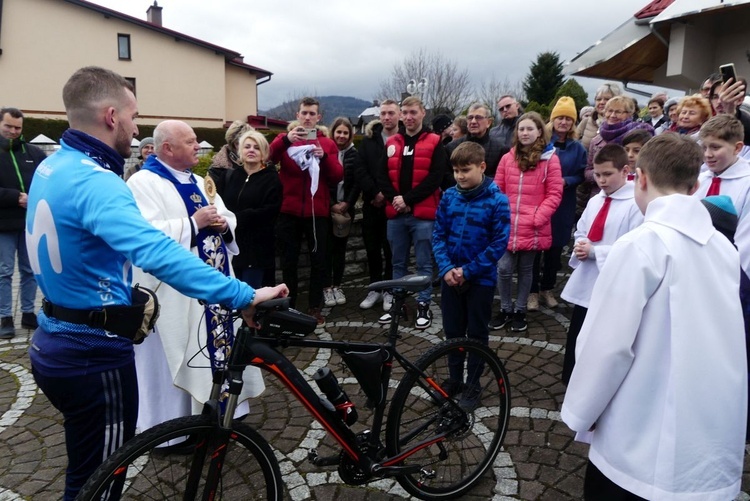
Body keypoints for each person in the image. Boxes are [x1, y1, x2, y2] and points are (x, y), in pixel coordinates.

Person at [25, 66, 287, 500]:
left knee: (85, 468)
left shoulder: (53, 167)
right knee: (100, 481)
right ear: (111, 116)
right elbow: (156, 251)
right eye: (132, 115)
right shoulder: (98, 181)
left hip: (52, 336)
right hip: (91, 348)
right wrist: (242, 293)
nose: (135, 126)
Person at [562, 133, 747, 500]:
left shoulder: (640, 246)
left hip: (639, 448)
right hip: (709, 436)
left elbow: (608, 347)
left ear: (640, 178)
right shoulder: (724, 248)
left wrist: (581, 414)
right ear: (695, 186)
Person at [127, 119, 266, 431]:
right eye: (190, 142)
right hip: (175, 292)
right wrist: (193, 223)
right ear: (168, 148)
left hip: (214, 287)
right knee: (174, 356)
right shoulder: (142, 184)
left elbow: (227, 215)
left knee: (220, 346)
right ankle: (171, 431)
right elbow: (144, 236)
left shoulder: (202, 181)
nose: (198, 146)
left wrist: (223, 225)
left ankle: (225, 410)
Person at [432, 141, 510, 410]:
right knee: (453, 332)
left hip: (480, 281)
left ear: (482, 167)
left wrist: (468, 270)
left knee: (476, 334)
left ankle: (473, 385)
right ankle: (455, 379)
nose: (460, 176)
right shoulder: (449, 197)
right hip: (451, 278)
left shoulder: (497, 201)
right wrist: (446, 268)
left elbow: (498, 244)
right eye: (455, 171)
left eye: (465, 170)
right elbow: (438, 235)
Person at [559, 144, 643, 384]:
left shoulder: (635, 204)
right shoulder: (596, 200)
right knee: (579, 329)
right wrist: (581, 243)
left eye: (607, 174)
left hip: (613, 281)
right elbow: (583, 228)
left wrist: (597, 252)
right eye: (597, 175)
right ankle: (572, 377)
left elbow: (634, 244)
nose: (601, 180)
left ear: (625, 170)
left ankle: (597, 382)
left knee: (603, 336)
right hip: (588, 280)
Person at [269, 97, 343, 325]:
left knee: (318, 261)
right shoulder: (285, 139)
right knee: (289, 262)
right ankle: (289, 305)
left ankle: (314, 306)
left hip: (316, 212)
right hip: (288, 211)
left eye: (312, 114)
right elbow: (268, 158)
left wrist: (325, 157)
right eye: (304, 113)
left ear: (319, 117)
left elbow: (337, 176)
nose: (308, 117)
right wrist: (285, 141)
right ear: (298, 115)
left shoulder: (327, 143)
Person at [376, 96, 448, 329]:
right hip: (396, 215)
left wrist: (407, 200)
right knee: (398, 263)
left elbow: (436, 177)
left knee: (424, 264)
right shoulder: (392, 142)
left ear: (422, 113)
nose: (408, 117)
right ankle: (398, 305)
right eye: (405, 112)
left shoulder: (435, 141)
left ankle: (423, 305)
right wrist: (396, 200)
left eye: (413, 112)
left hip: (423, 215)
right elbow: (382, 177)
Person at [490, 112, 563, 332]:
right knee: (503, 267)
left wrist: (538, 217)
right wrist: (501, 215)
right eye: (521, 129)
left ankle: (520, 310)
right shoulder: (507, 158)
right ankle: (505, 308)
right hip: (508, 223)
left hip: (533, 225)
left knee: (526, 269)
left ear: (539, 131)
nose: (524, 133)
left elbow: (555, 193)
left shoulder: (550, 159)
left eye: (530, 129)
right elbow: (497, 189)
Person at [529, 97, 587, 311]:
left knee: (555, 250)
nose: (563, 122)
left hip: (564, 203)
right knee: (534, 250)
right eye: (560, 118)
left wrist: (567, 181)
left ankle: (547, 288)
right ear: (552, 120)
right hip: (540, 202)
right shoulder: (541, 144)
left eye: (568, 119)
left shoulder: (578, 148)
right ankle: (532, 291)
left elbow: (582, 173)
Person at [209, 129, 281, 289]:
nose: (251, 150)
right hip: (230, 245)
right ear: (240, 150)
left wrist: (236, 218)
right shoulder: (230, 176)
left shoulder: (271, 179)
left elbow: (269, 211)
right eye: (247, 146)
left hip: (257, 249)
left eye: (256, 147)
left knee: (252, 295)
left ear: (263, 153)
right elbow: (219, 203)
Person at [0, 107, 46, 339]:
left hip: (29, 223)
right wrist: (14, 197)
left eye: (17, 127)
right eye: (8, 126)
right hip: (3, 224)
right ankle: (5, 317)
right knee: (4, 272)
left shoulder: (34, 153)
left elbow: (48, 179)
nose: (13, 131)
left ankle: (28, 313)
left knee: (30, 270)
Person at [694, 114, 750, 282]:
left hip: (728, 273)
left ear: (737, 148)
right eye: (704, 148)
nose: (708, 154)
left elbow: (746, 241)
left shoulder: (747, 183)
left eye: (715, 147)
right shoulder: (700, 180)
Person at [354, 100, 396, 311]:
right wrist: (374, 193)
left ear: (398, 115)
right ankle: (375, 289)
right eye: (383, 113)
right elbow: (360, 169)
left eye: (391, 113)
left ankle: (389, 289)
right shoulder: (369, 140)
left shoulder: (404, 140)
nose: (387, 117)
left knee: (391, 251)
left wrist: (387, 195)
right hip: (372, 204)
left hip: (394, 205)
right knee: (372, 249)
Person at [584, 96, 653, 202]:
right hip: (600, 196)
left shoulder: (636, 137)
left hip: (630, 196)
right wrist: (602, 174)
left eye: (618, 112)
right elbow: (588, 170)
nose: (612, 115)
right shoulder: (596, 139)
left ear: (629, 114)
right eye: (609, 111)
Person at [323, 117, 360, 307]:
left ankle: (337, 285)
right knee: (326, 250)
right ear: (333, 132)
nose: (342, 136)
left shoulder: (355, 154)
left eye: (346, 132)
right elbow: (322, 181)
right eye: (339, 132)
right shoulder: (325, 152)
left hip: (346, 210)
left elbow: (356, 182)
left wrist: (347, 203)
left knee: (340, 250)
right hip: (326, 208)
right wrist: (331, 203)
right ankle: (326, 287)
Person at [445, 103, 504, 181]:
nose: (473, 121)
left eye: (478, 118)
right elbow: (446, 176)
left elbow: (500, 178)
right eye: (470, 118)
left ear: (489, 122)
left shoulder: (500, 149)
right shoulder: (451, 147)